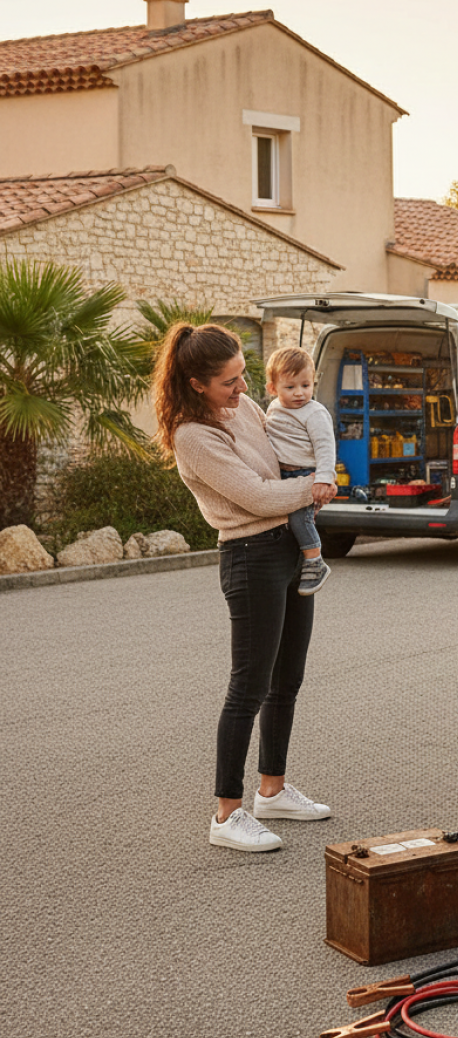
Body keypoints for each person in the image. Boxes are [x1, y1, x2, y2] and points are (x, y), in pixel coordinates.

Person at [152, 323, 338, 853]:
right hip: (250, 557)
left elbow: (281, 461)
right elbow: (256, 495)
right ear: (195, 384)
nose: (242, 390)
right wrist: (316, 485)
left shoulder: (246, 409)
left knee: (288, 679)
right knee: (248, 688)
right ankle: (227, 813)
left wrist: (310, 475)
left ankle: (272, 791)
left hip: (287, 547)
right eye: (229, 382)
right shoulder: (194, 436)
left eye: (243, 375)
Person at [264, 346, 337, 596]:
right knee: (287, 524)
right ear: (272, 388)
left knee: (300, 519)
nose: (299, 393)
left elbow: (325, 447)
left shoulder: (314, 412)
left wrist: (324, 479)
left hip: (305, 474)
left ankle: (315, 561)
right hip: (282, 475)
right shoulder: (274, 408)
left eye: (306, 385)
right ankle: (297, 563)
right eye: (291, 387)